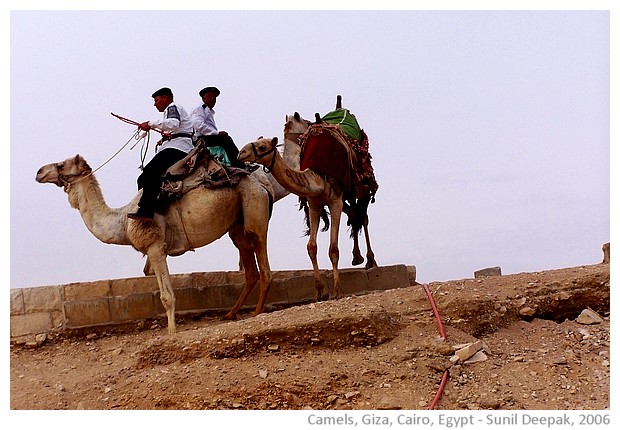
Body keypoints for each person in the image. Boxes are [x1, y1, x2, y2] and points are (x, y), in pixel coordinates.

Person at [128, 87, 195, 220]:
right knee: (142, 179)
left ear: (165, 98)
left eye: (156, 100)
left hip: (178, 148)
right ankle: (154, 207)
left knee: (149, 172)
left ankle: (147, 210)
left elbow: (173, 124)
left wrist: (150, 123)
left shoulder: (172, 107)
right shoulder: (171, 111)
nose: (155, 104)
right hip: (177, 145)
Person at [190, 86, 250, 169]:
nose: (213, 99)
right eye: (210, 96)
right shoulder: (200, 109)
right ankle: (239, 164)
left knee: (223, 142)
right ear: (203, 99)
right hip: (201, 139)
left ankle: (230, 163)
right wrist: (217, 133)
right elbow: (197, 124)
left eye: (214, 97)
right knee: (226, 139)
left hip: (206, 137)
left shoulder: (208, 111)